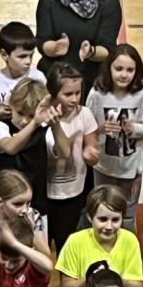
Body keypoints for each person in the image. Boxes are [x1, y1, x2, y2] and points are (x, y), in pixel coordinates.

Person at [86, 42, 143, 229]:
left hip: (132, 167)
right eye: (119, 69)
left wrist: (134, 129)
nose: (124, 75)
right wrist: (101, 128)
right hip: (103, 166)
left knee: (128, 214)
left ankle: (126, 245)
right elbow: (86, 127)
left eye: (130, 70)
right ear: (109, 68)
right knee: (101, 209)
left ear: (137, 71)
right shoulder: (97, 93)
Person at [56, 184, 143, 287]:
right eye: (102, 219)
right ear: (90, 217)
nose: (109, 226)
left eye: (115, 220)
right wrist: (89, 279)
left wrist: (113, 278)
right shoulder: (75, 242)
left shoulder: (130, 241)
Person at [44, 61, 100, 252]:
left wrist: (91, 154)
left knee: (66, 247)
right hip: (44, 195)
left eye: (78, 93)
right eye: (68, 94)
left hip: (73, 195)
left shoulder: (85, 114)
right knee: (42, 246)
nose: (75, 99)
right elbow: (61, 152)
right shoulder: (43, 117)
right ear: (53, 93)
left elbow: (93, 150)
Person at [0, 77, 63, 213]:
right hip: (6, 205)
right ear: (11, 104)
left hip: (36, 205)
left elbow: (65, 153)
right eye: (20, 113)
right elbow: (10, 147)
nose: (24, 121)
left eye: (31, 115)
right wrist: (34, 122)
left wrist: (56, 125)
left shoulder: (44, 130)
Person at [0, 21, 46, 127]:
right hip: (1, 135)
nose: (28, 61)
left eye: (31, 55)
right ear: (4, 54)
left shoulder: (38, 77)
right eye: (22, 56)